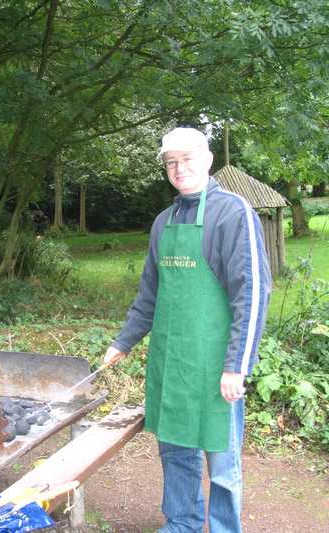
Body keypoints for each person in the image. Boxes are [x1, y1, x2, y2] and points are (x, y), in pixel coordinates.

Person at [104, 127, 271, 533]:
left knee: (222, 459)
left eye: (188, 158)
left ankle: (224, 528)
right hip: (172, 362)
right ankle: (184, 521)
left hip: (216, 366)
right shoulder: (164, 221)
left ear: (208, 158)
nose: (179, 168)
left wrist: (238, 365)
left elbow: (252, 294)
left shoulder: (234, 213)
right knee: (175, 451)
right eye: (171, 161)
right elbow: (150, 295)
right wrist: (122, 342)